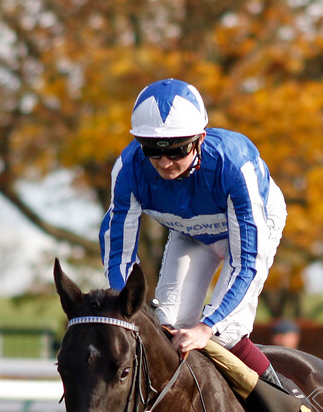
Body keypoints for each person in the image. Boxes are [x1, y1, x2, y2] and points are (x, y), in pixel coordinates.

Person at [99, 78, 287, 388]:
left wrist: (208, 326)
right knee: (165, 329)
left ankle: (286, 407)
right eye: (153, 151)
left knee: (225, 333)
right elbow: (119, 252)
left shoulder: (234, 165)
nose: (165, 163)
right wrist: (123, 308)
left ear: (200, 139)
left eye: (177, 150)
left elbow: (246, 262)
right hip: (191, 232)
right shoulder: (129, 168)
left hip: (251, 227)